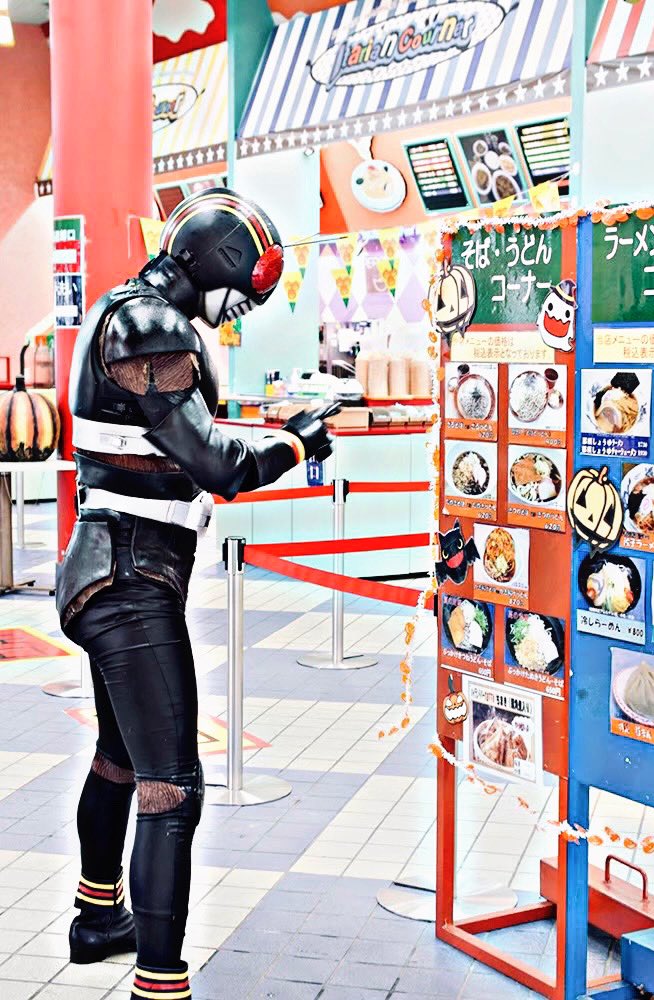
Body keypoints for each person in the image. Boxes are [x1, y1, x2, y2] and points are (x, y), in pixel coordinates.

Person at [56, 189, 335, 998]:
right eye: (244, 288)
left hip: (111, 573)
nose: (243, 307)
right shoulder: (152, 326)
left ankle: (97, 917)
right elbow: (216, 465)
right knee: (172, 786)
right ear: (219, 264)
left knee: (119, 759)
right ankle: (159, 980)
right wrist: (294, 443)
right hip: (131, 582)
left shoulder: (126, 312)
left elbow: (174, 440)